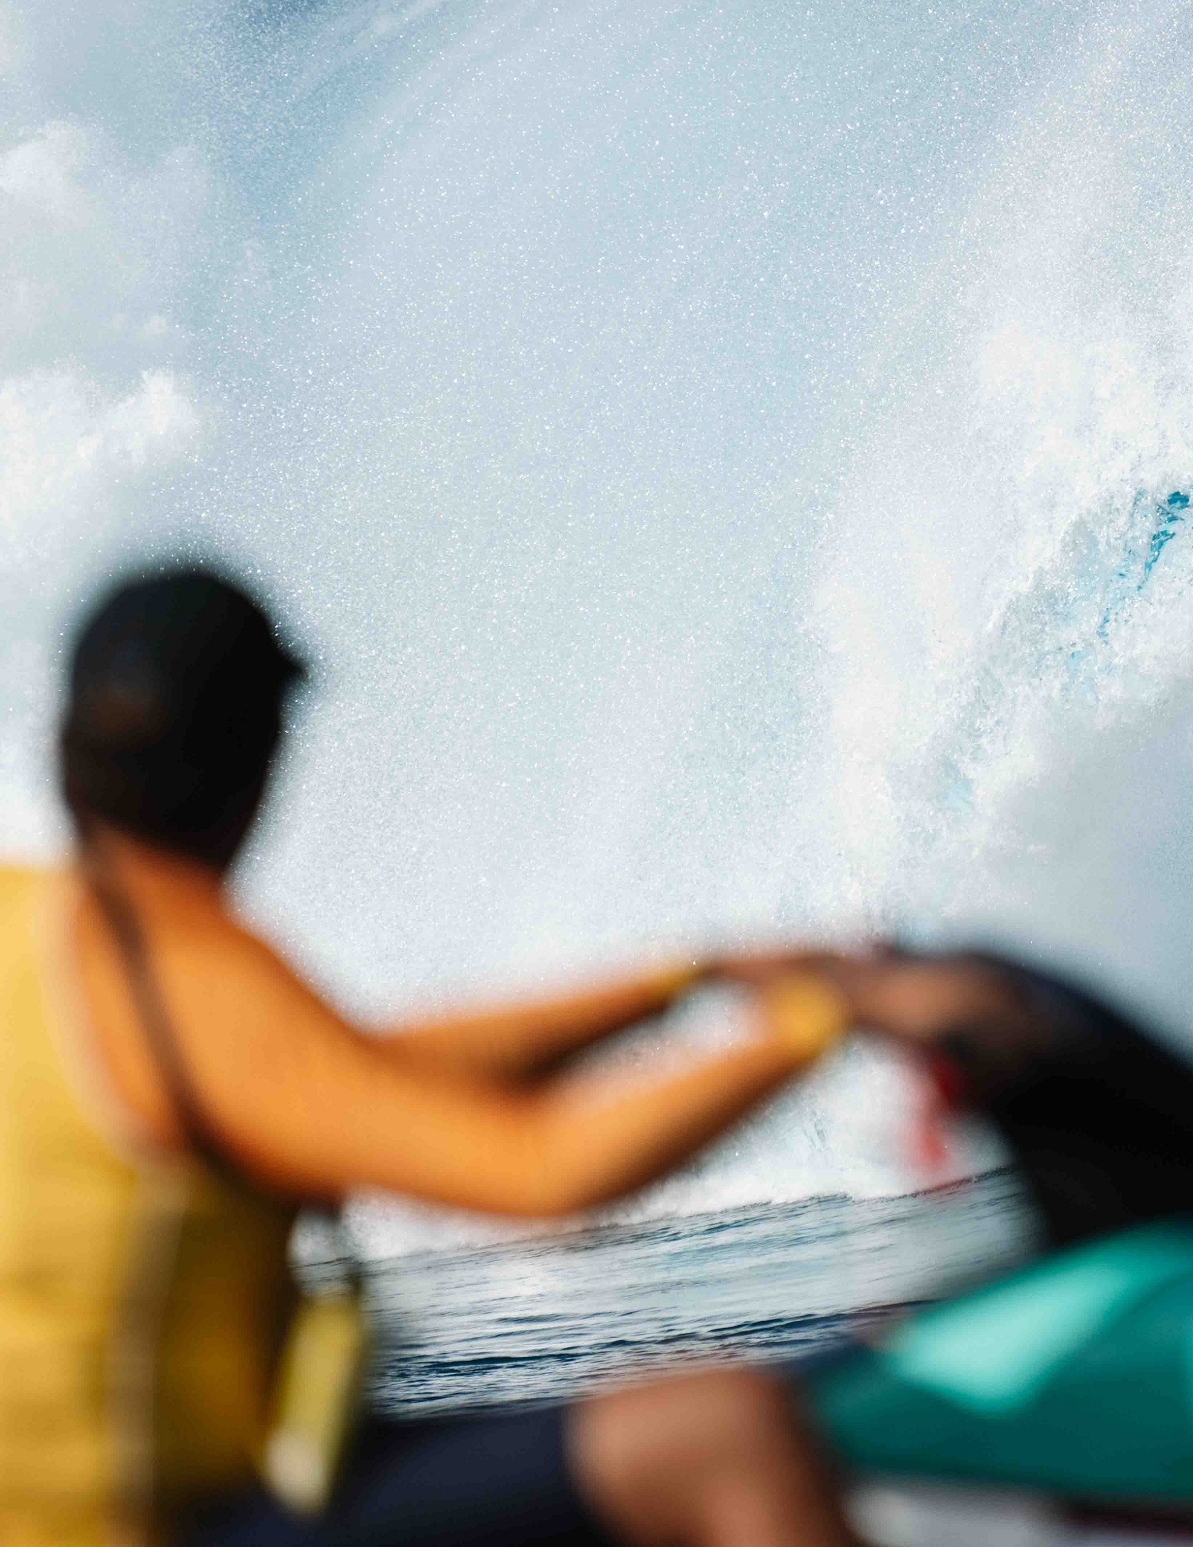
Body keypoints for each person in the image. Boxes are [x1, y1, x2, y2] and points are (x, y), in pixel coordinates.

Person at [2, 565, 871, 1547]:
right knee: (717, 1431)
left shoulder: (32, 924)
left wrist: (682, 978)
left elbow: (359, 1079)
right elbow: (544, 1169)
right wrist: (818, 1021)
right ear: (261, 757)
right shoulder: (183, 973)